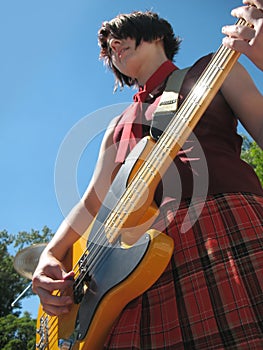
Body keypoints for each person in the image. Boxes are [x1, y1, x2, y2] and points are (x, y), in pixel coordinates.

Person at [32, 1, 263, 349]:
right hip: (127, 276)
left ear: (155, 34)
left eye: (120, 34)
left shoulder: (214, 69)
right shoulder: (117, 125)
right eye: (107, 46)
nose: (113, 45)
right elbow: (94, 199)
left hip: (222, 230)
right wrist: (51, 253)